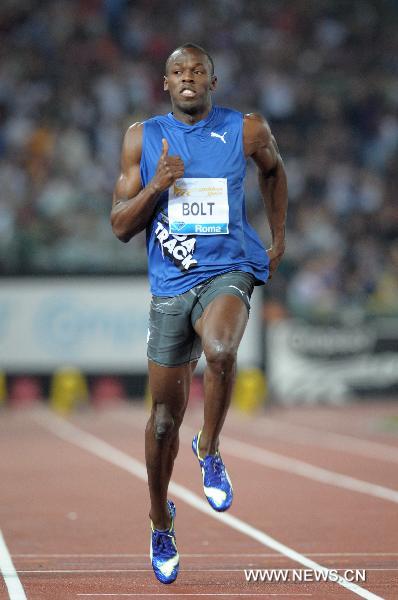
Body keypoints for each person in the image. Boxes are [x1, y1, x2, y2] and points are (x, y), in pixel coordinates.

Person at [111, 43, 288, 584]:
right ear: (164, 84)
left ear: (214, 79)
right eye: (177, 72)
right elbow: (120, 225)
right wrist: (157, 187)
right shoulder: (142, 138)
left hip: (227, 270)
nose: (188, 78)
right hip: (170, 285)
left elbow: (274, 173)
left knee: (222, 349)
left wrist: (276, 240)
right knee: (163, 421)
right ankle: (160, 519)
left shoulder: (247, 129)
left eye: (198, 71)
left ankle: (210, 446)